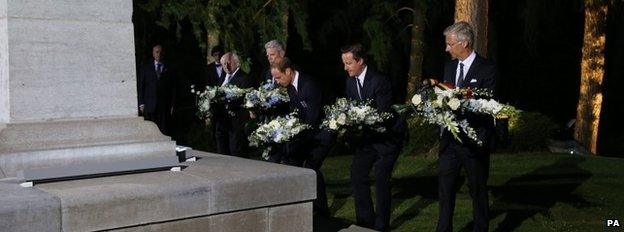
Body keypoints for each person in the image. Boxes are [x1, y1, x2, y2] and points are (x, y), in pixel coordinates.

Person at [437, 21, 498, 232]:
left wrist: (461, 103)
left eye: (449, 44)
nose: (446, 49)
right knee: (445, 191)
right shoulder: (449, 66)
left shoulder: (487, 68)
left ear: (464, 43)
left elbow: (489, 105)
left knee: (477, 191)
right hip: (449, 142)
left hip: (474, 141)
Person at [340, 43, 406, 231]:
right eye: (344, 63)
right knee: (357, 173)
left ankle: (381, 225)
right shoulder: (350, 82)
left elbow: (384, 113)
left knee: (381, 177)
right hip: (368, 138)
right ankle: (365, 222)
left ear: (360, 61)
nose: (346, 68)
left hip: (388, 137)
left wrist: (359, 120)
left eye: (349, 63)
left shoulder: (379, 80)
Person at [270, 57, 333, 215]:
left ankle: (321, 209)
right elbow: (296, 113)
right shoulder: (291, 87)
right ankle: (300, 204)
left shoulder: (310, 84)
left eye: (278, 77)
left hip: (322, 132)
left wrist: (296, 133)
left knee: (312, 166)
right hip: (307, 132)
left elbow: (313, 116)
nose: (277, 81)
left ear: (289, 71)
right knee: (291, 159)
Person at [213, 52, 254, 158]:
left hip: (235, 122)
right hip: (221, 121)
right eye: (223, 64)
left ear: (237, 63)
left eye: (228, 63)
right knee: (222, 152)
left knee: (235, 152)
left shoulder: (245, 78)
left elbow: (244, 98)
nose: (226, 66)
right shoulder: (223, 77)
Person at [138, 44, 173, 135]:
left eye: (160, 52)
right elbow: (142, 85)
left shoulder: (168, 67)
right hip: (150, 104)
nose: (159, 54)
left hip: (163, 103)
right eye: (157, 52)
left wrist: (172, 103)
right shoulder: (146, 67)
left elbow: (172, 87)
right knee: (150, 129)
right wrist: (141, 103)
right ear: (153, 53)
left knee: (163, 129)